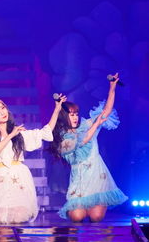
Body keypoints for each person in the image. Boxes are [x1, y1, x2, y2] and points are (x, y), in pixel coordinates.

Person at [52, 74, 128, 222]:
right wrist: (96, 123)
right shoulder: (62, 138)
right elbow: (82, 141)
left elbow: (106, 112)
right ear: (63, 117)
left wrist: (112, 88)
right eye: (71, 115)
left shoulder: (85, 125)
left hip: (97, 178)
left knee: (96, 216)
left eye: (76, 114)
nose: (75, 117)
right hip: (79, 183)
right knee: (77, 216)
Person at [0, 96, 61, 223]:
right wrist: (11, 135)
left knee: (18, 218)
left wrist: (57, 110)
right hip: (0, 177)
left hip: (19, 175)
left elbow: (44, 132)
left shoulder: (18, 132)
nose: (2, 112)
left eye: (3, 108)